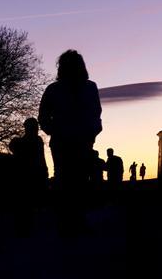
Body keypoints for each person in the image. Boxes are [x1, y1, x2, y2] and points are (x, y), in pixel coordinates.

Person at [38, 49, 102, 232]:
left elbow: (95, 114)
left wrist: (91, 132)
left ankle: (70, 220)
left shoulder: (59, 89)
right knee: (72, 180)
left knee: (70, 180)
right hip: (69, 141)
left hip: (73, 141)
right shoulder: (85, 88)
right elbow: (96, 114)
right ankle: (70, 220)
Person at [8, 117, 48, 233]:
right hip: (28, 177)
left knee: (30, 203)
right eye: (32, 127)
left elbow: (40, 158)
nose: (34, 130)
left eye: (34, 127)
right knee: (27, 203)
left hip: (33, 176)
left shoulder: (34, 141)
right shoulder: (26, 141)